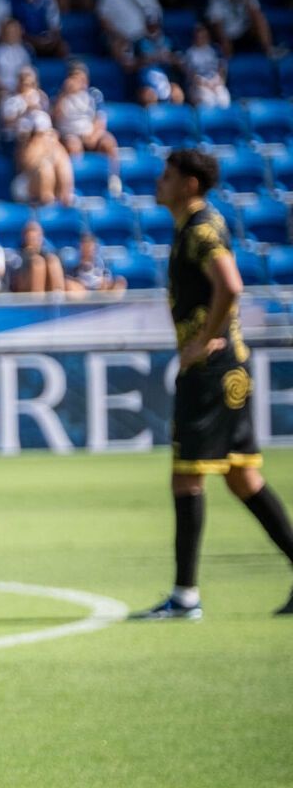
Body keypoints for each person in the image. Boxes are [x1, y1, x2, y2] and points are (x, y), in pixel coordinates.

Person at [133, 149, 293, 620]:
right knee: (242, 477)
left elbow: (231, 284)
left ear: (189, 184)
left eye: (167, 176)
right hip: (231, 371)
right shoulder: (195, 225)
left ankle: (185, 597)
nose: (159, 183)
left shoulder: (201, 229)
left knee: (187, 476)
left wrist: (204, 340)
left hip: (213, 372)